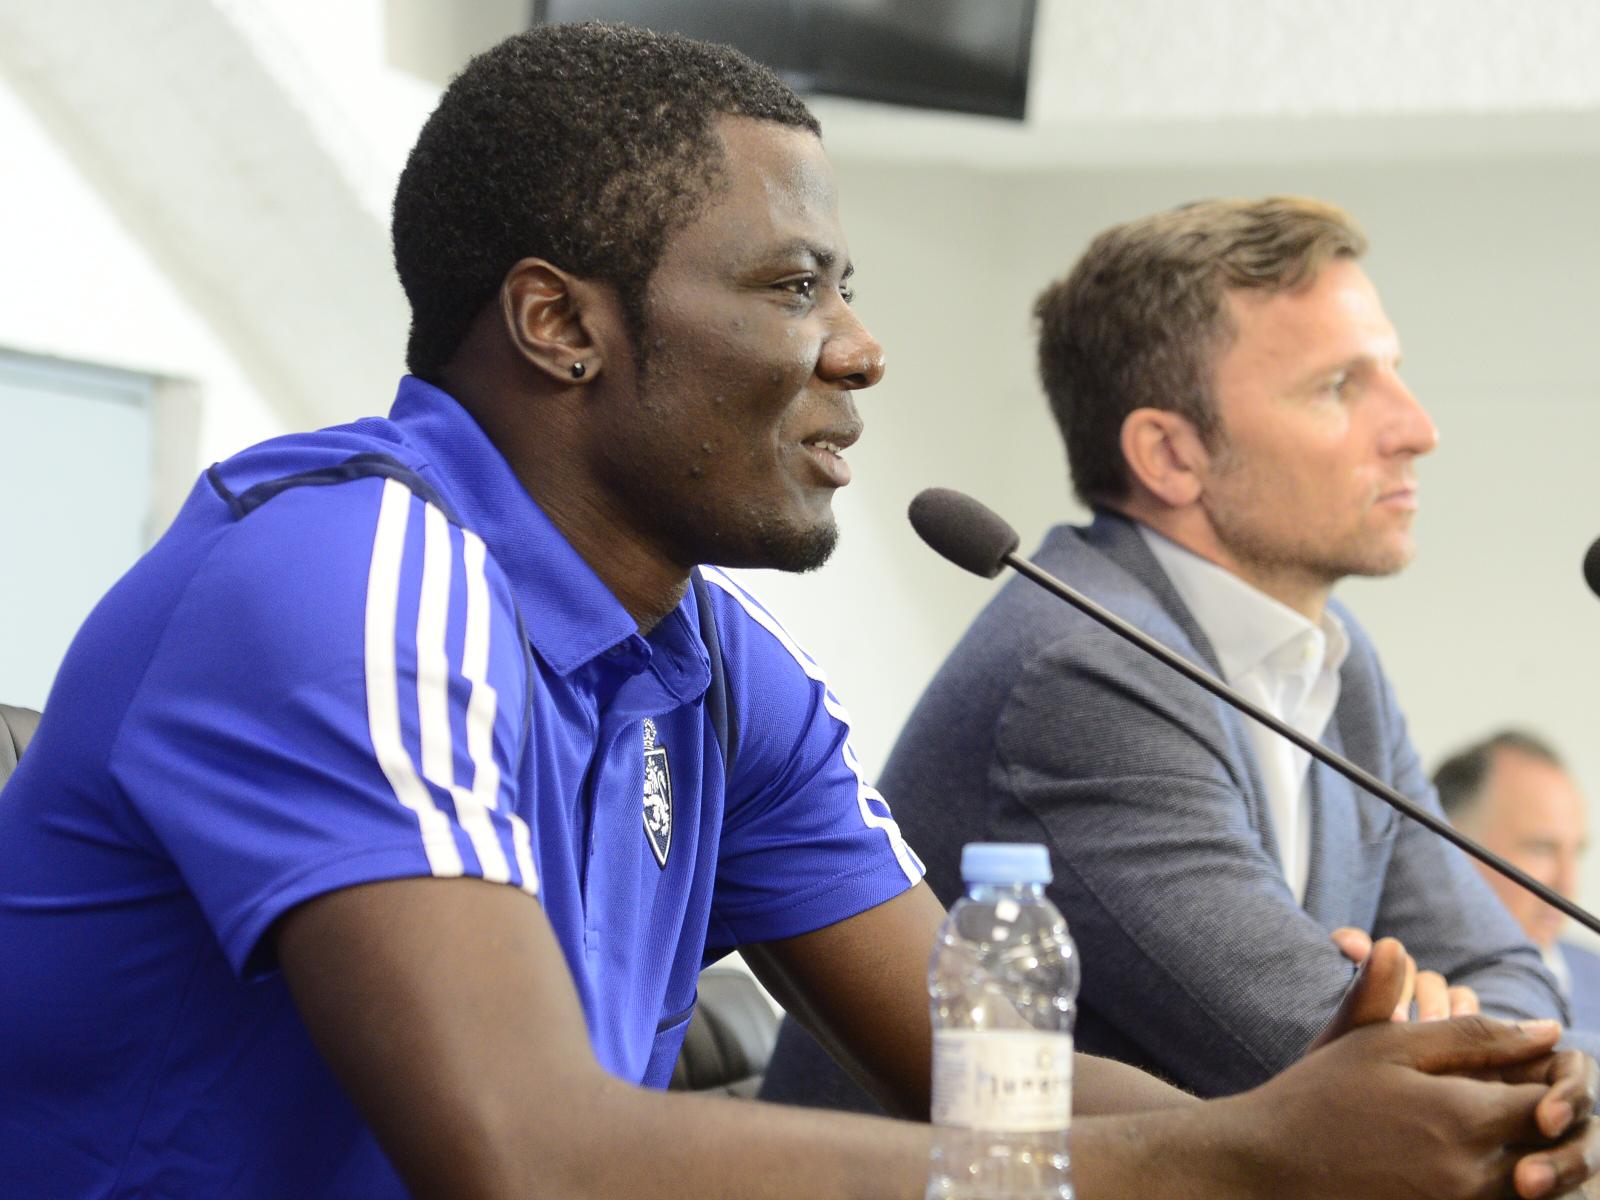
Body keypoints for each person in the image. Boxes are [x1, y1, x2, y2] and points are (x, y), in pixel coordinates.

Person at [0, 29, 1594, 1200]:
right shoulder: (350, 580)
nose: (859, 350)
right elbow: (527, 1157)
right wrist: (1250, 1157)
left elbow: (993, 1080)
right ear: (560, 323)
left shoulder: (717, 673)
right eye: (792, 288)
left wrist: (1417, 1108)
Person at [764, 195, 1583, 1111]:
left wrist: (1493, 1042)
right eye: (1339, 388)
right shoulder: (1080, 673)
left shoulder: (1336, 666)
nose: (1417, 427)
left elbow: (1509, 968)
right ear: (1169, 455)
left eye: (1393, 373)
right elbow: (1321, 1076)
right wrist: (1490, 1057)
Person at [1438, 730, 1600, 1032]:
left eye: (1576, 852)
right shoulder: (1395, 983)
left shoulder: (1595, 974)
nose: (1568, 883)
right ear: (1451, 850)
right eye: (1541, 848)